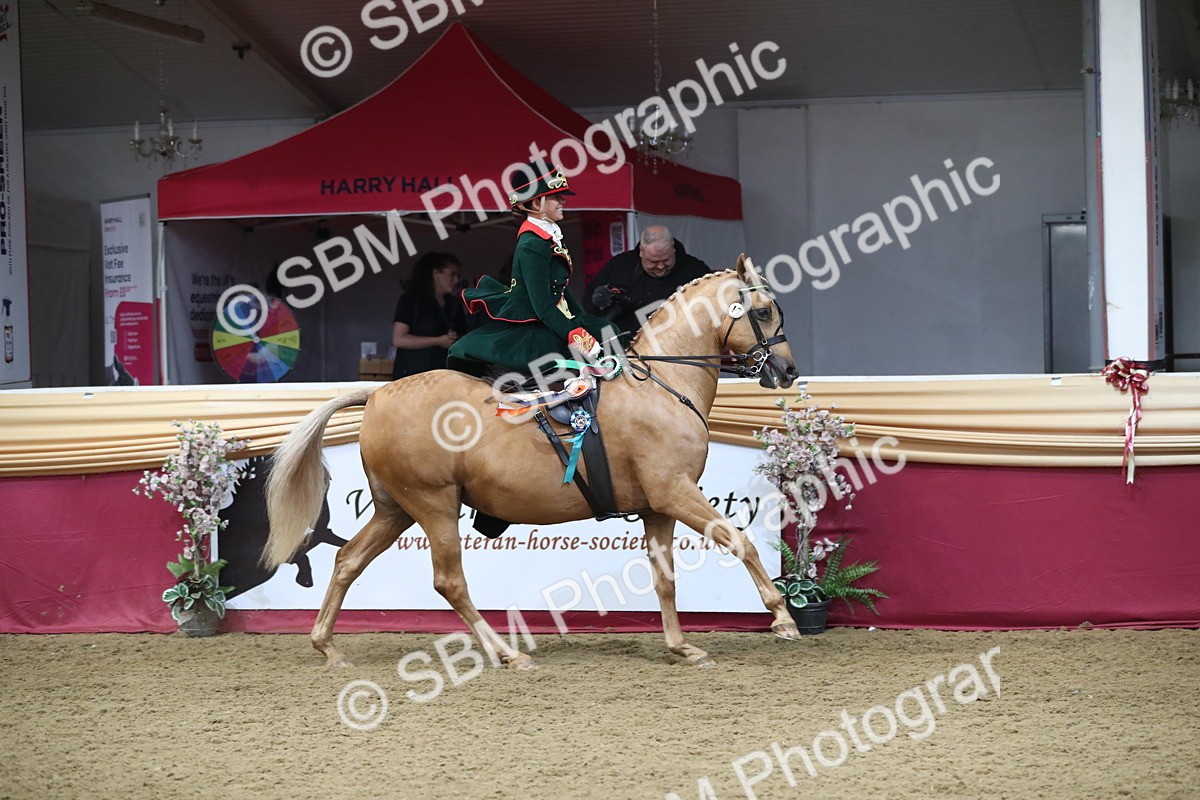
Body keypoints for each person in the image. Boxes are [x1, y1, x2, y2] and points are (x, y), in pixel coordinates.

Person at [448, 164, 613, 380]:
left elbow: (561, 289)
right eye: (556, 197)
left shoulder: (548, 235)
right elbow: (542, 305)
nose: (563, 201)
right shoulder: (531, 244)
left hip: (555, 318)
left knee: (610, 331)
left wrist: (581, 319)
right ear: (536, 203)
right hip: (536, 324)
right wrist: (576, 335)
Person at [585, 225, 712, 338]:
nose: (661, 267)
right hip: (625, 349)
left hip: (678, 349)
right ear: (641, 252)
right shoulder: (619, 266)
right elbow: (588, 304)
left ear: (673, 249)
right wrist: (600, 301)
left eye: (666, 260)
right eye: (654, 262)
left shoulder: (695, 270)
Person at [391, 251, 468, 380]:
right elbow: (399, 339)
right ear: (436, 273)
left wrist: (454, 339)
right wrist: (438, 341)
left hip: (445, 376)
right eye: (452, 274)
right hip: (412, 376)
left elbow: (464, 336)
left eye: (458, 276)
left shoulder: (454, 303)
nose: (456, 281)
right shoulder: (411, 299)